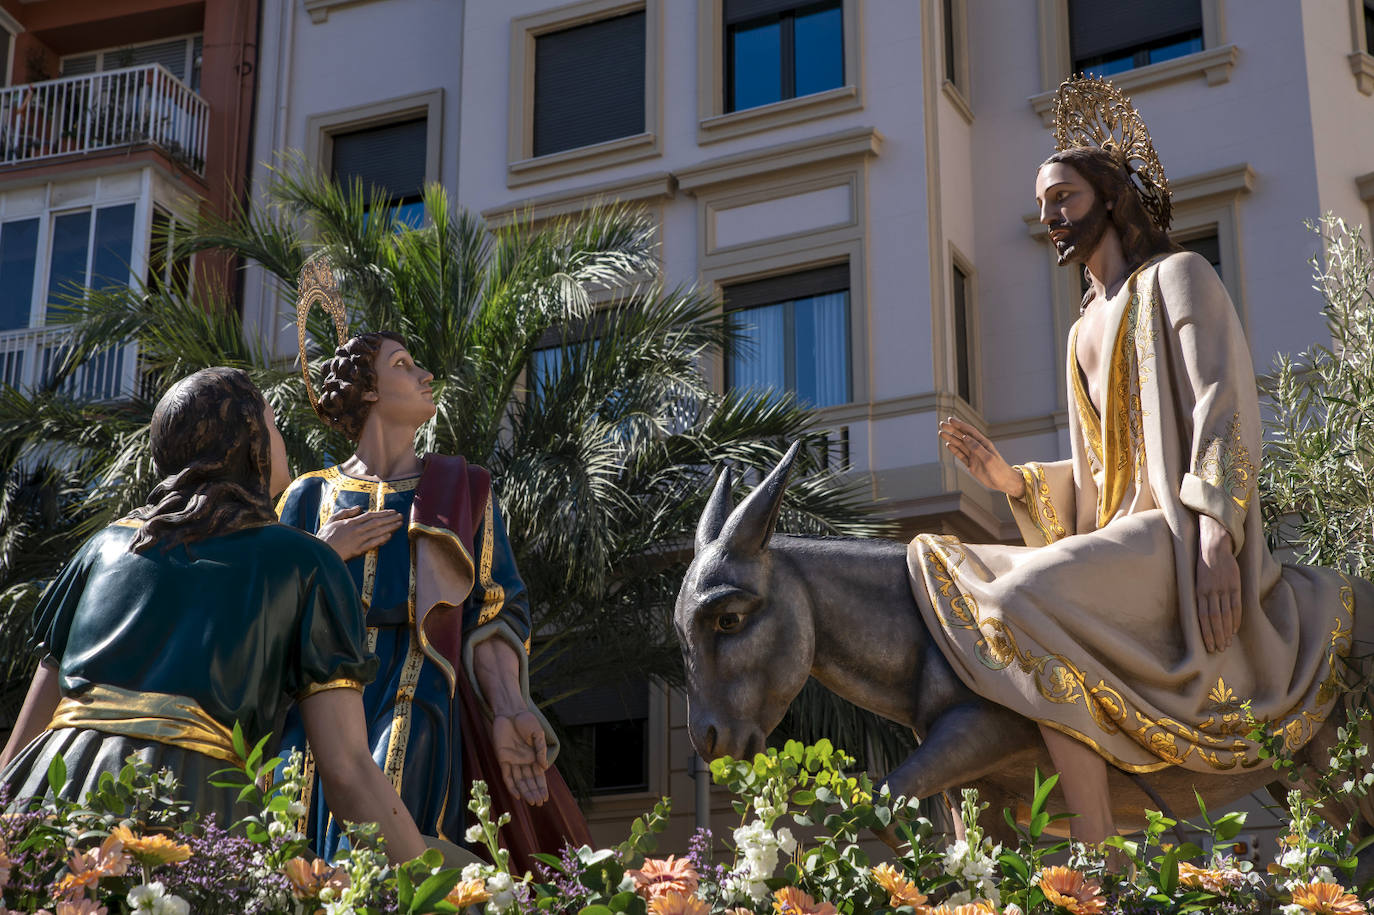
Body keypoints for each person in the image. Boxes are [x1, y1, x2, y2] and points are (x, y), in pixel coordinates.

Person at [923, 77, 1365, 847]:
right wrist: (1014, 482)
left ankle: (1099, 849)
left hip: (1174, 532)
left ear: (1106, 195)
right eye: (1041, 205)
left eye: (1059, 197)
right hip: (1121, 536)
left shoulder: (1179, 277)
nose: (1047, 216)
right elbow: (1100, 474)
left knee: (1017, 595)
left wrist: (1213, 535)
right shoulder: (1080, 329)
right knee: (978, 580)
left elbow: (1223, 404)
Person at [0, 367, 426, 863]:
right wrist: (430, 886)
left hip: (47, 793)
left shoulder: (101, 546)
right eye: (272, 424)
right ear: (250, 444)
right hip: (189, 805)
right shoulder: (305, 563)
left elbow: (24, 738)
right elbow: (349, 768)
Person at [278, 271, 590, 867]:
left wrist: (510, 707)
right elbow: (264, 611)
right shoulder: (307, 496)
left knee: (389, 811)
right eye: (403, 364)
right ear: (366, 390)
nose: (424, 375)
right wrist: (321, 553)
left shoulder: (462, 492)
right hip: (314, 696)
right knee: (298, 848)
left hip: (417, 681)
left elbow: (492, 608)